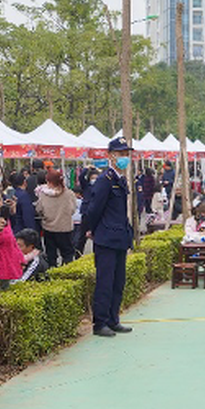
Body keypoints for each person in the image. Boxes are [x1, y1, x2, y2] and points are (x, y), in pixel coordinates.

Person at [82, 138, 134, 337]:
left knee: (118, 282)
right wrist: (92, 229)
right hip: (106, 239)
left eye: (126, 154)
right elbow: (94, 209)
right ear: (111, 156)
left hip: (120, 238)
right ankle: (100, 323)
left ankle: (113, 319)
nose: (124, 157)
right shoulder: (105, 180)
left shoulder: (120, 179)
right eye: (121, 154)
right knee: (105, 282)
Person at [35, 169, 79, 267]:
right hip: (65, 228)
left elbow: (39, 209)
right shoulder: (69, 194)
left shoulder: (43, 194)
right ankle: (67, 272)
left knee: (51, 254)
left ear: (49, 181)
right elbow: (72, 209)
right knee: (67, 254)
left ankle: (53, 273)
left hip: (49, 228)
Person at [7, 171, 38, 237]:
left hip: (12, 229)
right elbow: (28, 216)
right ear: (24, 182)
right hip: (22, 231)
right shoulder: (24, 196)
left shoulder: (10, 195)